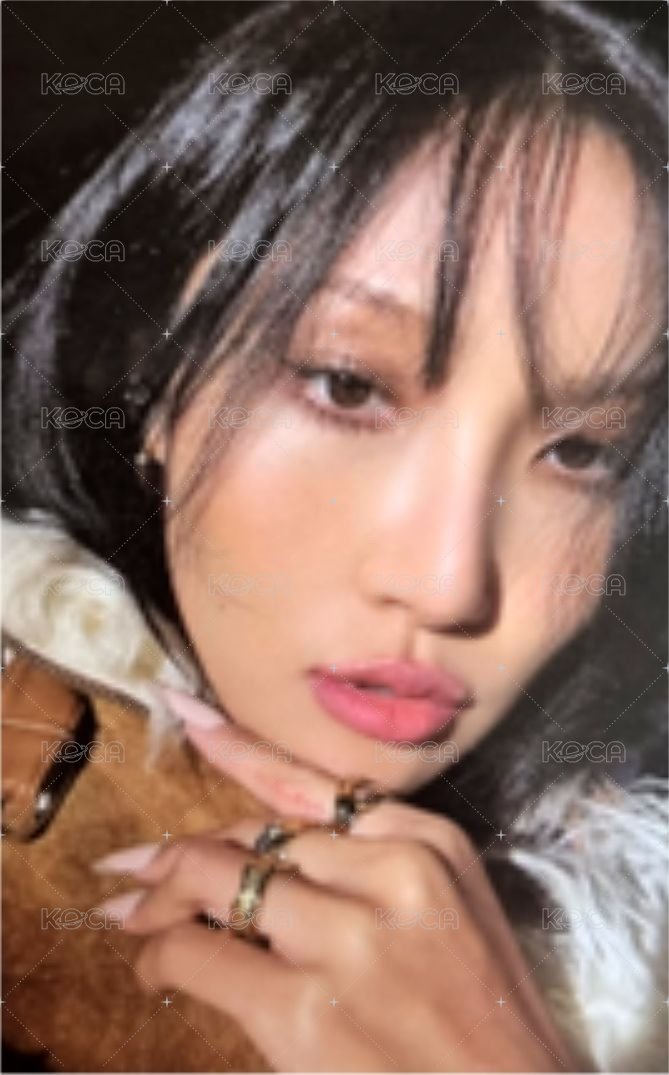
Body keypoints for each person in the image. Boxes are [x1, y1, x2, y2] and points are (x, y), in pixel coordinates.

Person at [2, 1, 667, 1071]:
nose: (447, 583)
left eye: (582, 451)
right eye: (347, 385)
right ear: (150, 370)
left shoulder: (630, 973)